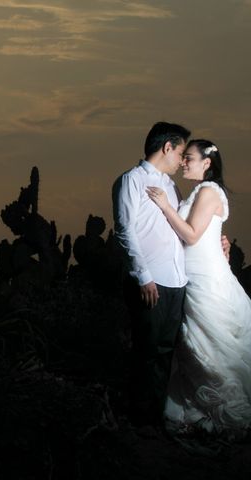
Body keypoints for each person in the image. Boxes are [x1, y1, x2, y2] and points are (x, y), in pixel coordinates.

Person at [146, 140, 251, 438]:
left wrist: (165, 206)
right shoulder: (200, 191)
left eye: (189, 158)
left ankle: (227, 412)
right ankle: (200, 411)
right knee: (197, 344)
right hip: (194, 275)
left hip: (205, 278)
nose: (183, 163)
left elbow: (191, 236)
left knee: (211, 344)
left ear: (207, 163)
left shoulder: (207, 191)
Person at [112, 121, 191, 427]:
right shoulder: (131, 180)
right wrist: (143, 275)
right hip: (151, 280)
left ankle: (155, 418)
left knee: (165, 353)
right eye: (181, 152)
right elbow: (124, 229)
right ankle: (140, 421)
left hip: (175, 279)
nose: (182, 160)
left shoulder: (171, 185)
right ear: (166, 147)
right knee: (146, 350)